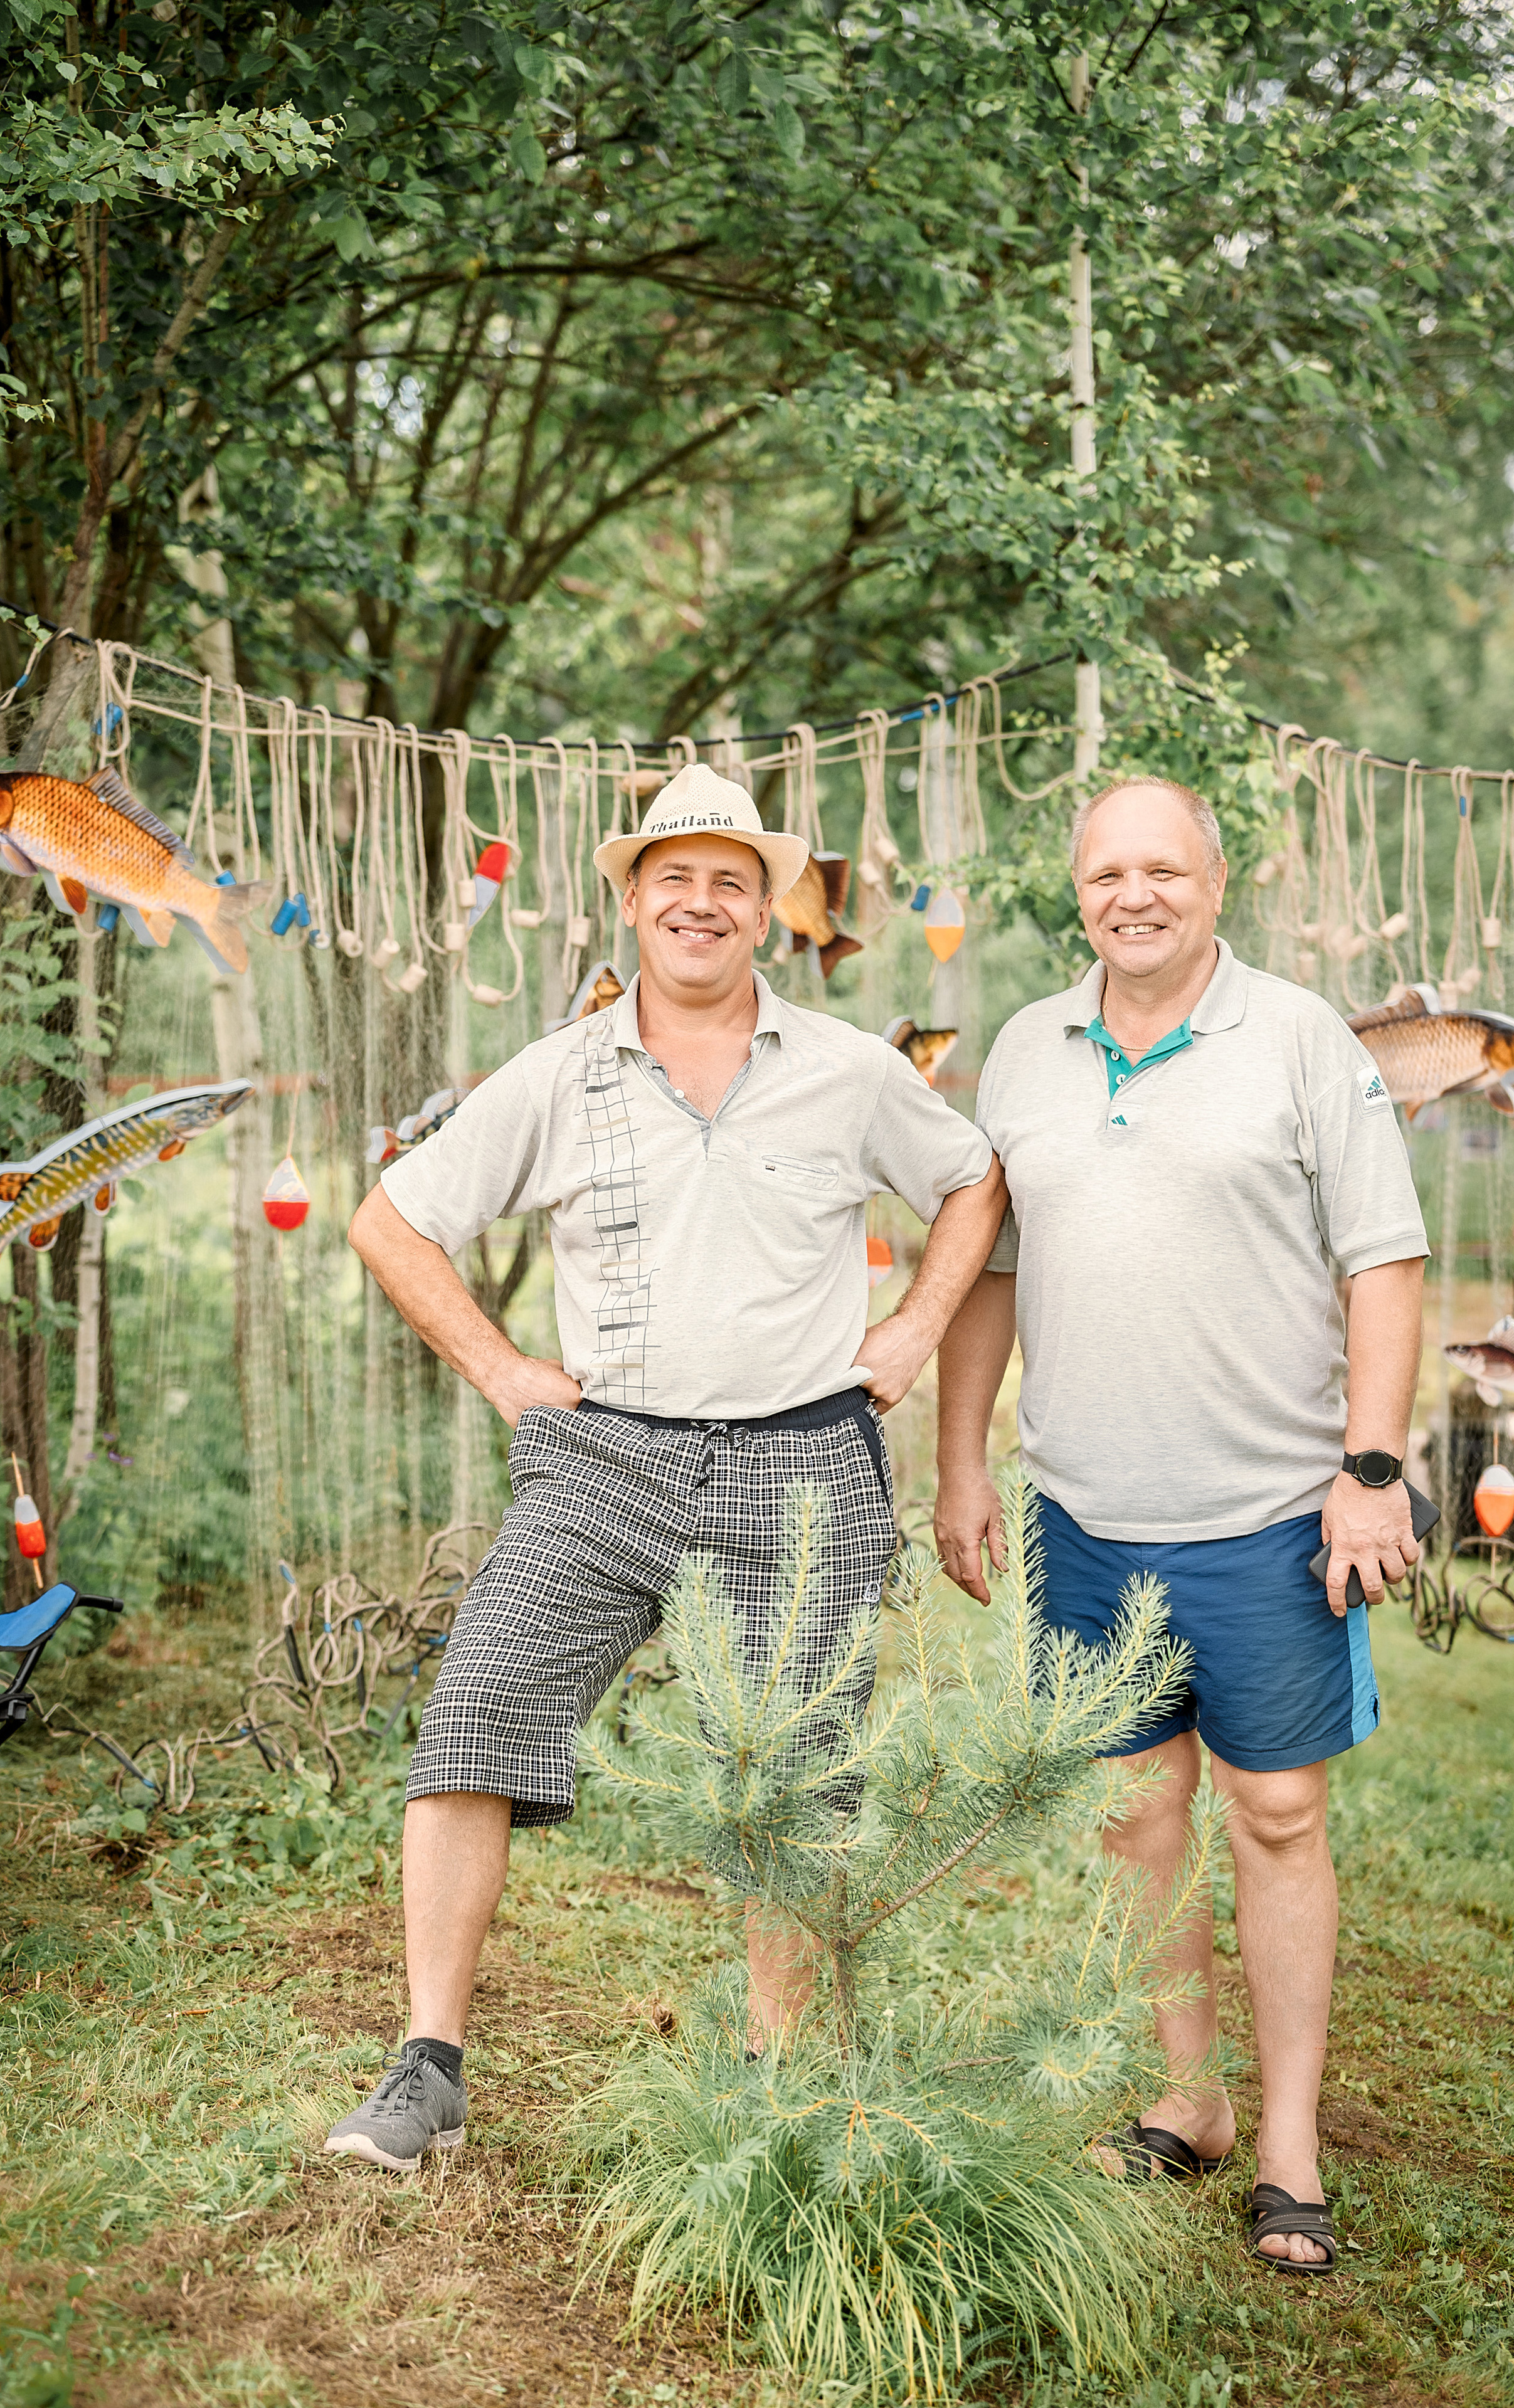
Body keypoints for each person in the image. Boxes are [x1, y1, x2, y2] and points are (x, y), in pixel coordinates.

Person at [326, 761, 1006, 2173]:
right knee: (474, 1715)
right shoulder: (560, 1073)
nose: (702, 904)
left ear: (766, 912)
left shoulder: (848, 1069)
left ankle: (773, 2087)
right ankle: (428, 2070)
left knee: (794, 1779)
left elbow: (973, 1177)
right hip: (603, 1463)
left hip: (803, 1462)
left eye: (731, 884)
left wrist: (915, 1328)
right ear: (632, 904)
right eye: (674, 880)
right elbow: (391, 1221)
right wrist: (503, 1370)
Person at [934, 776, 1428, 2276]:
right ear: (1075, 891)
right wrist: (960, 1462)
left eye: (1160, 869)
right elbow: (990, 1273)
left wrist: (1369, 1467)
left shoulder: (1297, 1038)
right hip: (1083, 1512)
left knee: (1273, 1814)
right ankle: (1187, 2095)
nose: (1131, 894)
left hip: (1265, 1514)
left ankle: (1286, 2142)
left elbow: (1383, 1260)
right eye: (1105, 872)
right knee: (1132, 1814)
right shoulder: (1023, 1050)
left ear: (1215, 883)